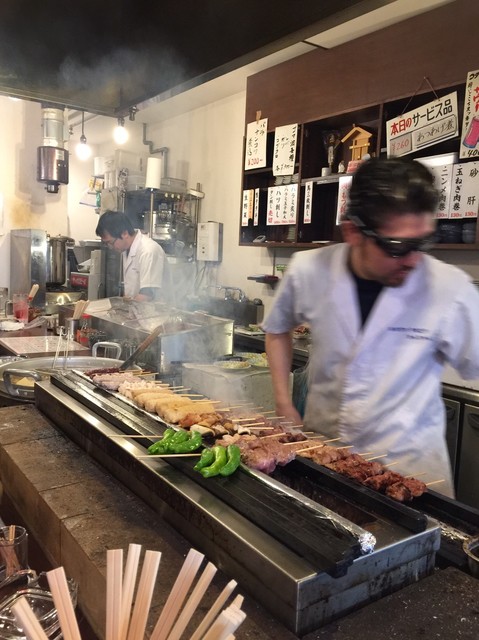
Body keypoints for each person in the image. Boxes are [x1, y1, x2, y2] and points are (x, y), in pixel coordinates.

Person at [262, 156, 479, 497]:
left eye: (422, 243)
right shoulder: (309, 269)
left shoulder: (449, 288)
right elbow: (276, 329)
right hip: (326, 455)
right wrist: (283, 403)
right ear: (353, 231)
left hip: (411, 469)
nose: (414, 260)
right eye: (397, 247)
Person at [95, 210, 171, 303]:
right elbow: (131, 288)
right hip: (138, 309)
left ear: (124, 233)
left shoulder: (148, 251)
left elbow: (147, 294)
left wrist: (125, 309)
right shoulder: (126, 249)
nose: (110, 247)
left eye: (110, 242)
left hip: (155, 310)